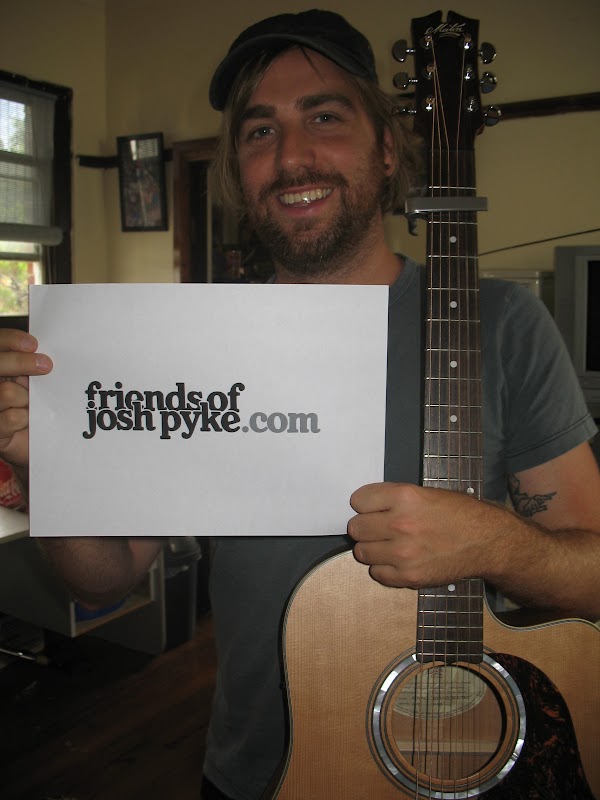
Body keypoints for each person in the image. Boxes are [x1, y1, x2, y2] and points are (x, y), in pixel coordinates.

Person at [0, 9, 599, 800]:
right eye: (259, 131)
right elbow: (102, 581)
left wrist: (497, 544)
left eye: (324, 116)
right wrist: (45, 466)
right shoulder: (192, 344)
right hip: (261, 773)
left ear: (388, 149)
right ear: (237, 171)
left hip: (472, 753)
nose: (290, 157)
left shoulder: (504, 324)